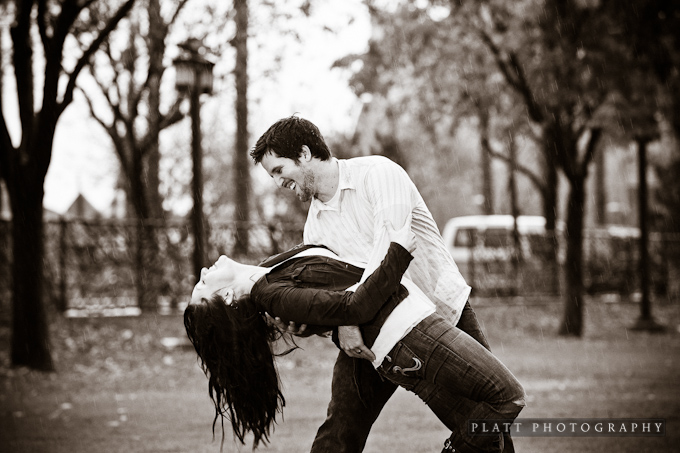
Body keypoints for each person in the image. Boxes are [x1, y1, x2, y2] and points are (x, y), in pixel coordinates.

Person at [250, 116, 518, 452]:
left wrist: (346, 318)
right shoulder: (314, 230)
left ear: (304, 153)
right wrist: (301, 320)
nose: (278, 182)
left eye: (278, 170)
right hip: (370, 333)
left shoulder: (377, 173)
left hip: (440, 316)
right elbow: (332, 292)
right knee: (341, 429)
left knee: (488, 424)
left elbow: (391, 253)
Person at [185, 221, 525, 452]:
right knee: (505, 398)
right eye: (203, 287)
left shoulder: (270, 272)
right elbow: (354, 305)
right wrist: (398, 252)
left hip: (405, 329)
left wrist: (325, 320)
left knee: (483, 428)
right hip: (405, 336)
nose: (202, 273)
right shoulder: (271, 294)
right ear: (226, 298)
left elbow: (339, 284)